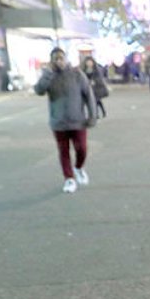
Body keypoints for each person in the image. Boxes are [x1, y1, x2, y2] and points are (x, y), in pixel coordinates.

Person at [34, 47, 96, 194]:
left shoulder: (77, 74)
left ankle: (79, 167)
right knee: (63, 151)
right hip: (58, 122)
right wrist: (47, 75)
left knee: (82, 148)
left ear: (66, 58)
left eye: (61, 58)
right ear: (52, 61)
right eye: (56, 59)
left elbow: (89, 95)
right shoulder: (48, 76)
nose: (59, 61)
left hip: (78, 120)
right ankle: (69, 179)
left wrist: (92, 115)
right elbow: (39, 91)